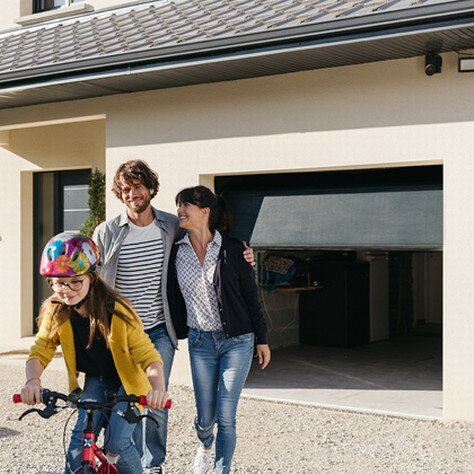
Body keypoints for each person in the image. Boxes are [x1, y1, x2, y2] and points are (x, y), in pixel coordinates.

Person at [92, 160, 255, 474]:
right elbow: (91, 278)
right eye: (125, 189)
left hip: (157, 330)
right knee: (126, 400)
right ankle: (132, 463)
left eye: (137, 187)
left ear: (151, 188)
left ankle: (154, 465)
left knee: (155, 401)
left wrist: (245, 252)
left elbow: (209, 235)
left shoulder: (170, 225)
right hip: (120, 333)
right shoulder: (107, 232)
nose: (132, 194)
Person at [20, 232, 169, 474]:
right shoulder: (56, 311)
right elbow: (41, 349)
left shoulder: (118, 311)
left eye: (75, 281)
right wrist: (32, 381)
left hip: (129, 381)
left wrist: (158, 389)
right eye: (58, 282)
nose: (66, 290)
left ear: (92, 277)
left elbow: (148, 356)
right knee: (80, 441)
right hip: (97, 380)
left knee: (116, 443)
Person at [167, 185, 271, 474]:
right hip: (200, 342)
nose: (180, 211)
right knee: (206, 417)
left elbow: (252, 297)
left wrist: (262, 339)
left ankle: (220, 470)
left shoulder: (235, 249)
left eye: (187, 205)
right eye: (179, 205)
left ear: (205, 212)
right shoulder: (175, 252)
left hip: (237, 341)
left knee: (226, 416)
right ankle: (204, 444)